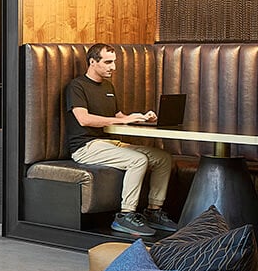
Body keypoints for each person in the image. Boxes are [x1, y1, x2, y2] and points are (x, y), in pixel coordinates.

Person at [65, 42, 177, 237]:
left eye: (114, 62)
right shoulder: (77, 86)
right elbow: (84, 119)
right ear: (93, 62)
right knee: (138, 160)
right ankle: (125, 215)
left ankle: (153, 210)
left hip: (109, 143)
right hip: (86, 147)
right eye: (108, 62)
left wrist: (139, 116)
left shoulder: (108, 86)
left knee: (163, 158)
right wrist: (124, 120)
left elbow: (117, 116)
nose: (113, 67)